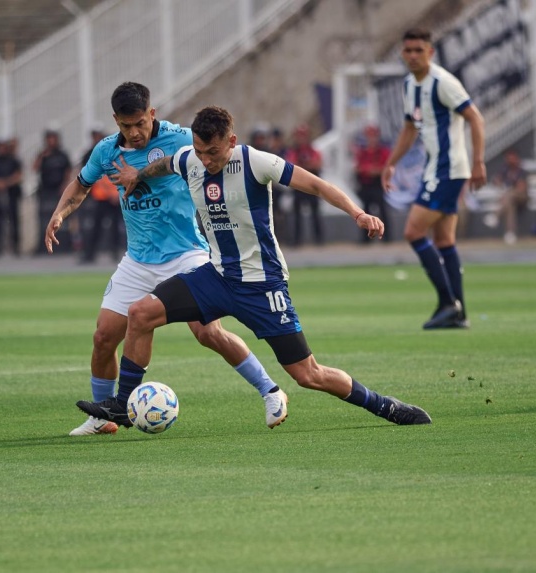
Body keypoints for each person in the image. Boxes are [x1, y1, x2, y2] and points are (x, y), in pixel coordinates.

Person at [79, 105, 431, 429]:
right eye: (199, 151)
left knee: (308, 375)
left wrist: (358, 213)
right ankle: (122, 404)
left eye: (213, 152)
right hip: (216, 277)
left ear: (231, 141)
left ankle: (385, 406)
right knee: (141, 313)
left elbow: (318, 185)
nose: (205, 160)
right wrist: (138, 176)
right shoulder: (189, 159)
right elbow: (166, 163)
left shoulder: (256, 162)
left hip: (263, 286)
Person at [45, 82, 287, 436]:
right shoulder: (106, 151)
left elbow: (224, 152)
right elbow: (81, 185)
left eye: (140, 123)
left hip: (187, 254)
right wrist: (59, 214)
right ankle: (103, 417)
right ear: (116, 121)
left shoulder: (181, 139)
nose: (135, 132)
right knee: (103, 337)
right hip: (138, 260)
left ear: (152, 113)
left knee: (207, 333)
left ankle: (270, 390)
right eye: (126, 126)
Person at [381, 28, 486, 329]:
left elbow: (475, 118)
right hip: (435, 169)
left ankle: (448, 303)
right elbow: (409, 128)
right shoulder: (410, 85)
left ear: (431, 52)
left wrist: (478, 161)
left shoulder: (443, 82)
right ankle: (459, 311)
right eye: (408, 50)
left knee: (413, 231)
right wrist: (391, 164)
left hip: (449, 169)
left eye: (419, 50)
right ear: (402, 53)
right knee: (444, 240)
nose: (413, 55)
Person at [79, 126, 123, 264]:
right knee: (96, 226)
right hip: (100, 196)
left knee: (116, 226)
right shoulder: (90, 154)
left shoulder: (114, 152)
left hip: (114, 197)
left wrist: (116, 193)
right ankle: (90, 254)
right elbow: (92, 175)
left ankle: (115, 252)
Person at [33, 129, 72, 254]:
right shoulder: (43, 154)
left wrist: (65, 186)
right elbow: (34, 168)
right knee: (44, 219)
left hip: (59, 191)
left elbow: (68, 171)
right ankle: (43, 246)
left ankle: (63, 245)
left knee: (60, 218)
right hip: (45, 191)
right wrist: (42, 156)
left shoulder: (62, 155)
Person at [285, 124, 323, 245]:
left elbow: (317, 164)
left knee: (315, 214)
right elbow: (290, 165)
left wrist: (304, 165)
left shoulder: (313, 151)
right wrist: (305, 166)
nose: (301, 139)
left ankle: (319, 239)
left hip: (312, 186)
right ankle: (297, 240)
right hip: (298, 187)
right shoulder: (293, 151)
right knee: (296, 215)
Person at [0, 138, 24, 257]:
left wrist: (6, 183)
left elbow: (18, 176)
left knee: (14, 221)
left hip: (12, 194)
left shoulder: (13, 161)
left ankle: (16, 247)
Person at [354, 125, 392, 243]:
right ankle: (365, 239)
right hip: (366, 185)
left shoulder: (383, 151)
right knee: (364, 212)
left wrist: (374, 170)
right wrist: (368, 170)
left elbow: (387, 167)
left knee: (383, 211)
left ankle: (386, 237)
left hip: (377, 185)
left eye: (373, 136)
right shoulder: (363, 152)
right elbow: (357, 168)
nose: (371, 139)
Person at [493, 149, 528, 245]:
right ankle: (510, 233)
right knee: (510, 205)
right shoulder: (505, 170)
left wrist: (508, 191)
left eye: (513, 158)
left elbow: (521, 188)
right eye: (509, 158)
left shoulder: (521, 171)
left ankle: (496, 215)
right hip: (509, 199)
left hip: (521, 197)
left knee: (510, 195)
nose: (511, 160)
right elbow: (497, 181)